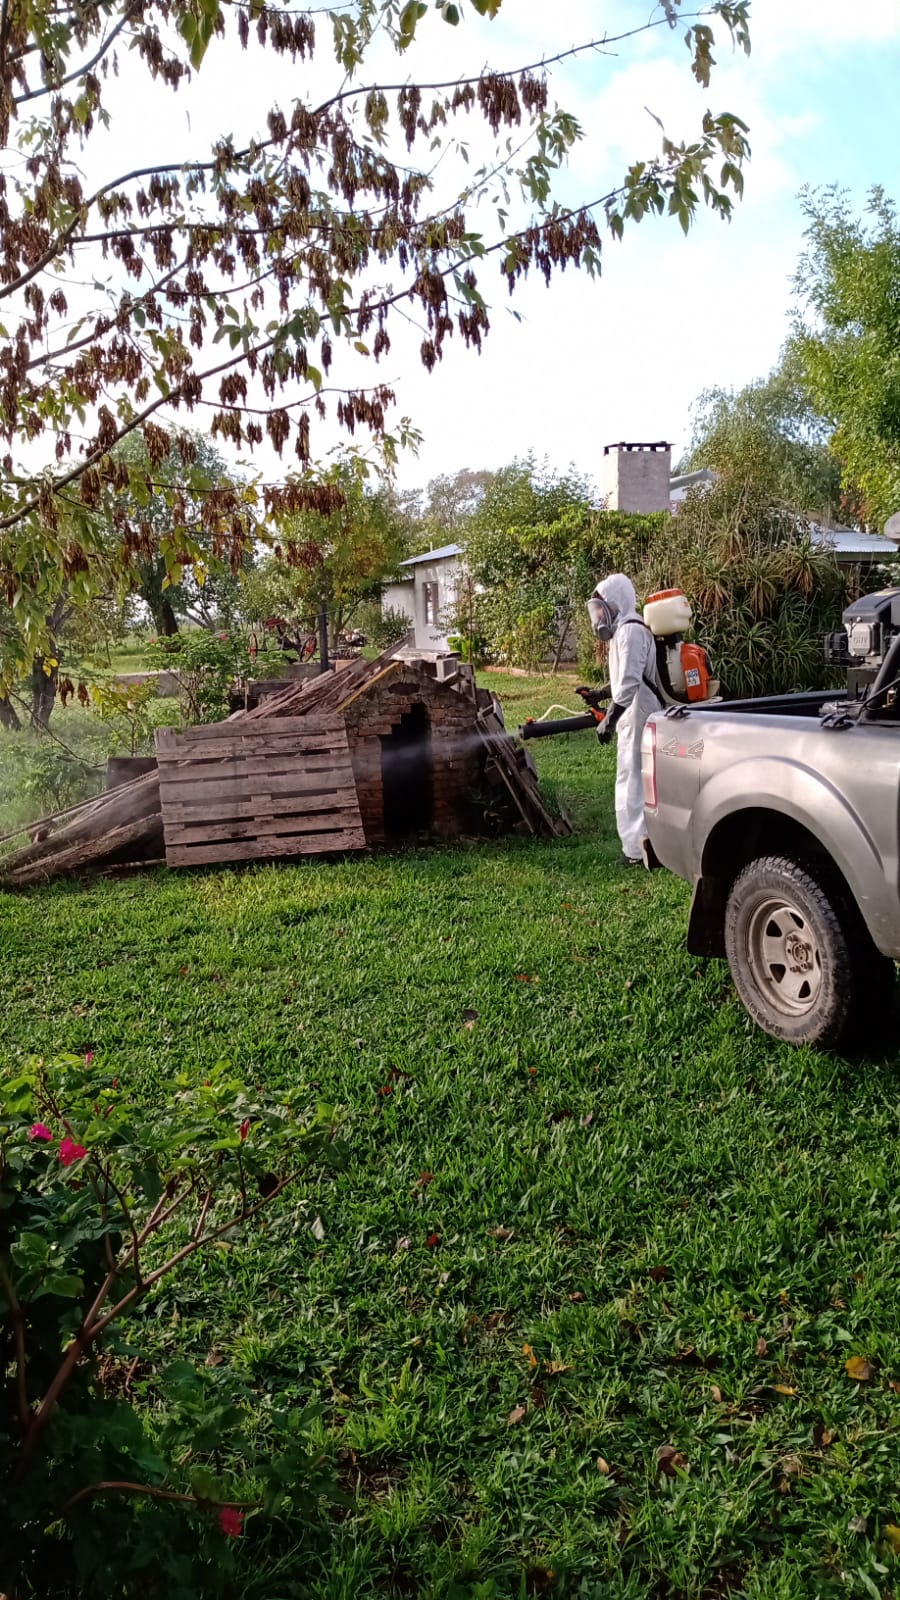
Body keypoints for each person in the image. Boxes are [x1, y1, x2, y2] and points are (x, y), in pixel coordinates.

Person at [587, 572, 661, 866]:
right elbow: (626, 679)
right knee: (635, 778)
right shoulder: (625, 630)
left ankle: (636, 850)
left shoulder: (631, 631)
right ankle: (644, 845)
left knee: (633, 780)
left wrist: (609, 719)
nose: (598, 616)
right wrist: (598, 693)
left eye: (602, 607)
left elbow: (630, 683)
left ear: (617, 602)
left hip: (639, 713)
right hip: (635, 711)